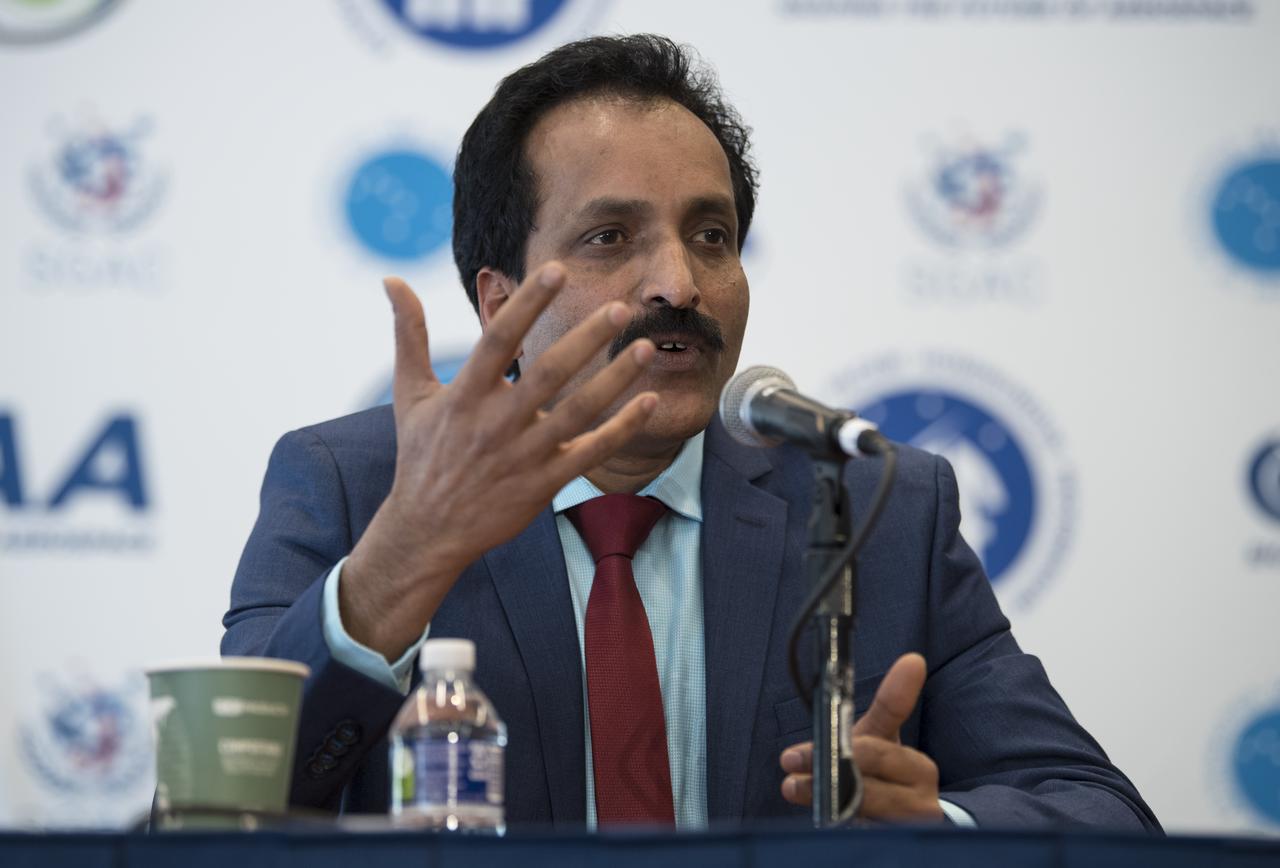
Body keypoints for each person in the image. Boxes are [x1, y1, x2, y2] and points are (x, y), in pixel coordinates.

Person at [223, 34, 1159, 832]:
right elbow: (221, 808)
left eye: (711, 235)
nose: (678, 283)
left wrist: (937, 826)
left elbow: (1101, 811)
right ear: (500, 301)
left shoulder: (878, 510)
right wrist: (399, 562)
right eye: (610, 238)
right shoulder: (352, 486)